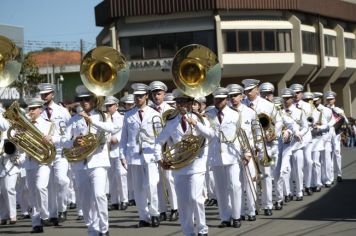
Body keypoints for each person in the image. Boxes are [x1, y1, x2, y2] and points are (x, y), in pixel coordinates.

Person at [155, 88, 209, 236]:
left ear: (190, 103)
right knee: (183, 202)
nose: (181, 105)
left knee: (195, 198)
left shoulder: (200, 118)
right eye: (178, 102)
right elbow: (159, 141)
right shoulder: (172, 121)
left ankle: (202, 229)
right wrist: (160, 159)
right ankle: (188, 231)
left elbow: (212, 135)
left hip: (197, 164)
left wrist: (196, 124)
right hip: (179, 166)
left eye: (184, 102)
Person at [62, 85, 112, 236]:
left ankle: (104, 228)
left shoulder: (102, 116)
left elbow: (109, 134)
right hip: (80, 164)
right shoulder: (74, 119)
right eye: (81, 100)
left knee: (99, 195)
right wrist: (73, 142)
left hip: (98, 161)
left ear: (93, 100)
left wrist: (98, 140)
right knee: (84, 199)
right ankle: (92, 228)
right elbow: (63, 140)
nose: (84, 102)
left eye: (87, 99)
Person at [202, 87, 251, 228]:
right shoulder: (208, 113)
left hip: (233, 155)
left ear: (227, 99)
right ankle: (225, 217)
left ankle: (236, 216)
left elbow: (243, 134)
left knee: (235, 186)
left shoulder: (235, 114)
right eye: (216, 99)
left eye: (221, 99)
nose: (218, 101)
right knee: (220, 189)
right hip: (216, 155)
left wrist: (247, 152)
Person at [119, 83, 161, 228]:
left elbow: (160, 137)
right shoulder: (128, 115)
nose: (138, 99)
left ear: (146, 97)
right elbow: (124, 137)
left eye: (141, 96)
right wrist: (122, 155)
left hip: (150, 154)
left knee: (151, 185)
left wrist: (159, 154)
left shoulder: (154, 114)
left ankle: (155, 213)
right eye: (136, 96)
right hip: (134, 154)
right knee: (138, 188)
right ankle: (144, 216)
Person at [242, 79, 282, 216]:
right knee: (252, 177)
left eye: (250, 90)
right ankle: (252, 207)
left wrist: (274, 133)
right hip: (249, 146)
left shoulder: (267, 105)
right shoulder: (242, 105)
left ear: (257, 89)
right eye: (246, 91)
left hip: (266, 144)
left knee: (265, 175)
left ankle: (267, 204)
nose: (248, 93)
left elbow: (279, 121)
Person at [21, 97, 61, 233]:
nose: (30, 111)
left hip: (44, 161)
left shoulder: (48, 124)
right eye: (29, 109)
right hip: (30, 160)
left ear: (40, 109)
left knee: (40, 187)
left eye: (33, 109)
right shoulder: (24, 124)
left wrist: (51, 138)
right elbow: (17, 142)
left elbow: (59, 138)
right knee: (32, 193)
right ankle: (36, 223)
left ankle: (45, 215)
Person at [38, 83, 71, 224]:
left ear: (53, 94)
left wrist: (56, 139)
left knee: (62, 180)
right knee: (48, 185)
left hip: (59, 151)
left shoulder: (62, 111)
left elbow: (69, 132)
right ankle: (52, 213)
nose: (44, 96)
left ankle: (63, 208)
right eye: (42, 94)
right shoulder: (38, 111)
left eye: (46, 94)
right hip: (44, 153)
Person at [226, 83, 257, 221]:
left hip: (248, 151)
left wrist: (251, 152)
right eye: (231, 96)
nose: (233, 98)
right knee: (235, 185)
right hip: (232, 153)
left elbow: (256, 133)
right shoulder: (226, 112)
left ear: (241, 96)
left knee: (250, 181)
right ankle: (238, 212)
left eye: (236, 96)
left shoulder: (250, 112)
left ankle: (251, 210)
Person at [149, 81, 178, 222]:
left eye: (159, 93)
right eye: (154, 94)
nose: (156, 96)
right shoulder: (149, 110)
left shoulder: (171, 110)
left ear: (164, 94)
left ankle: (175, 208)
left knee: (169, 179)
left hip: (169, 148)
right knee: (158, 181)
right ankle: (161, 210)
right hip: (154, 149)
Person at [104, 96, 128, 211]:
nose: (108, 108)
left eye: (111, 105)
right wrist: (109, 139)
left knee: (121, 175)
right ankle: (114, 201)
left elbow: (124, 131)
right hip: (108, 151)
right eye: (107, 106)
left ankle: (124, 200)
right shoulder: (105, 118)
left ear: (116, 106)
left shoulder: (122, 118)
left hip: (118, 149)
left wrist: (117, 139)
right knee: (111, 177)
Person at [290, 84, 314, 196]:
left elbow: (310, 121)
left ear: (302, 94)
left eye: (298, 93)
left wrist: (301, 131)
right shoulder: (289, 106)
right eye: (294, 93)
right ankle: (298, 186)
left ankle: (308, 185)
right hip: (295, 139)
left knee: (308, 162)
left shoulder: (307, 106)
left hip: (306, 137)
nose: (296, 95)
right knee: (296, 164)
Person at [324, 91, 349, 183]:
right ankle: (330, 176)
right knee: (328, 154)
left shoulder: (339, 109)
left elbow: (346, 121)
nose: (329, 101)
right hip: (327, 133)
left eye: (331, 99)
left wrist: (341, 115)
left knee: (337, 153)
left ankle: (339, 174)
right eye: (328, 99)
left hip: (336, 133)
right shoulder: (323, 109)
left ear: (334, 100)